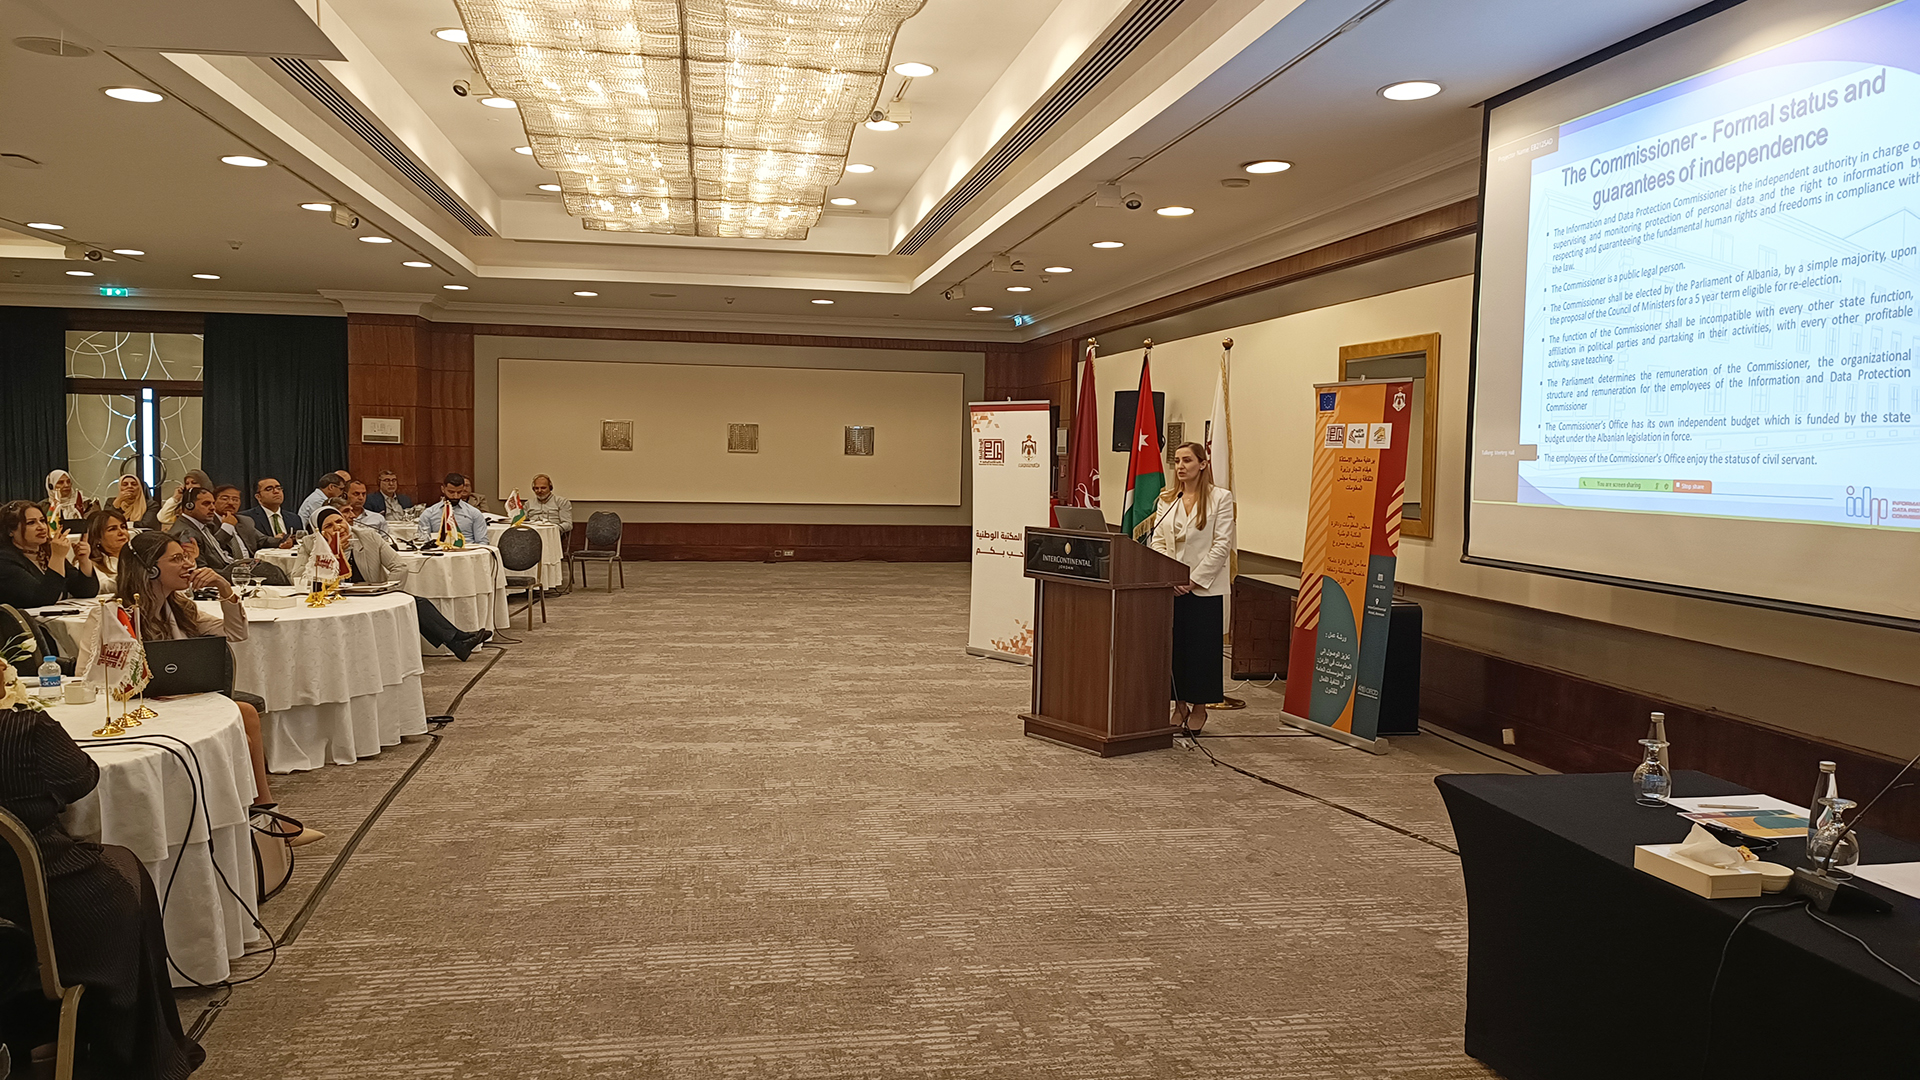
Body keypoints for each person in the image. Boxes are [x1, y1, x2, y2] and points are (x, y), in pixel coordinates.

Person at [0, 698, 206, 1079]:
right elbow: (84, 789)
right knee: (127, 872)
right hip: (42, 924)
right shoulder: (23, 733)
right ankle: (141, 1052)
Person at [113, 532, 306, 836]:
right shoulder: (117, 615)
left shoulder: (180, 608)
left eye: (186, 557)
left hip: (182, 699)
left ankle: (265, 814)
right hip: (142, 707)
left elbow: (237, 632)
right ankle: (251, 825)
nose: (188, 564)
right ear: (150, 569)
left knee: (247, 713)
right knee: (241, 734)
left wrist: (224, 588)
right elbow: (97, 677)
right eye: (176, 559)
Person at [292, 506, 492, 660]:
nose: (337, 528)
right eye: (328, 526)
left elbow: (399, 567)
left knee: (417, 602)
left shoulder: (367, 537)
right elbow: (298, 577)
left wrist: (387, 591)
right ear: (318, 531)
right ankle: (458, 641)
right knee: (418, 603)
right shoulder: (311, 544)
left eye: (339, 521)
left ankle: (458, 641)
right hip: (332, 599)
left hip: (370, 595)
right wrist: (329, 552)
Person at [1148, 441, 1235, 733]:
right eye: (1177, 461)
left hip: (1203, 588)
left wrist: (1193, 580)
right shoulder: (1167, 498)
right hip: (1172, 586)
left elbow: (1221, 545)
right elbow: (1158, 541)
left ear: (1202, 464)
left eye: (1187, 460)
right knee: (1176, 649)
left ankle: (1199, 708)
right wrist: (1170, 576)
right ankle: (1180, 705)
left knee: (1201, 651)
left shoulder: (1220, 498)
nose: (1181, 466)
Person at [0, 500, 99, 609]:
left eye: (42, 521)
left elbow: (86, 591)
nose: (41, 527)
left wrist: (84, 560)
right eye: (31, 523)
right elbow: (42, 598)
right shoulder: (4, 560)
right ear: (11, 531)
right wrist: (57, 557)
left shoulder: (47, 551)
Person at [167, 487, 247, 571]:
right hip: (218, 575)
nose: (213, 508)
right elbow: (200, 571)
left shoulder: (204, 526)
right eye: (206, 504)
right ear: (189, 506)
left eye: (213, 503)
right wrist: (238, 573)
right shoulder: (186, 533)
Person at [415, 474, 488, 546]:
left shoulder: (474, 513)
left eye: (459, 492)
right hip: (438, 550)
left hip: (468, 550)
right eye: (451, 492)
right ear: (443, 489)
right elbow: (423, 541)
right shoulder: (429, 513)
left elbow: (482, 542)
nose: (455, 496)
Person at [239, 477, 297, 548]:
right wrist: (275, 541)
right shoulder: (246, 519)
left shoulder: (294, 518)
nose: (276, 491)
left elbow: (300, 540)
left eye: (278, 488)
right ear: (258, 497)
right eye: (269, 489)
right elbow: (250, 545)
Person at [86, 507, 132, 593]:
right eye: (112, 529)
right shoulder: (88, 564)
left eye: (123, 527)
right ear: (97, 538)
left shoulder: (136, 559)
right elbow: (103, 586)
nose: (121, 532)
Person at [211, 485, 262, 554]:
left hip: (250, 559)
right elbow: (212, 548)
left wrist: (278, 541)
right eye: (225, 499)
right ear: (213, 502)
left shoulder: (245, 520)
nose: (231, 503)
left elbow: (262, 540)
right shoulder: (208, 522)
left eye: (235, 500)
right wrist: (227, 526)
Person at [526, 474, 573, 542]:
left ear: (550, 488)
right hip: (531, 536)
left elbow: (568, 525)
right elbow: (520, 521)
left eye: (543, 488)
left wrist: (553, 529)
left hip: (553, 537)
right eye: (536, 488)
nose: (539, 491)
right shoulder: (528, 503)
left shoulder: (561, 502)